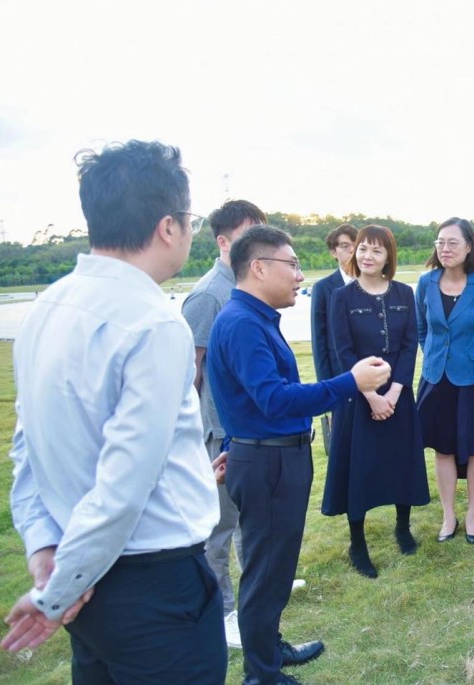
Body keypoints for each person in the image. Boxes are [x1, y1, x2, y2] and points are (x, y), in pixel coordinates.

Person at [2, 140, 227, 683]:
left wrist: (46, 550)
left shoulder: (45, 307)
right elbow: (124, 483)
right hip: (153, 587)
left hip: (88, 579)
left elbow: (24, 451)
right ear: (169, 227)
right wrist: (61, 587)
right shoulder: (153, 322)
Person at [207, 225, 391, 685]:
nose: (299, 275)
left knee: (272, 567)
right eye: (291, 265)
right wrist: (351, 384)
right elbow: (274, 399)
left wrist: (234, 445)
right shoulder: (243, 323)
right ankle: (261, 674)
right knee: (266, 574)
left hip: (265, 456)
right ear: (259, 267)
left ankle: (269, 649)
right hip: (268, 462)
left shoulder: (254, 317)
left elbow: (243, 399)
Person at [181, 198, 267, 650]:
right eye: (248, 236)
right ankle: (225, 611)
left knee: (249, 520)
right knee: (218, 529)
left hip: (247, 430)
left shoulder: (242, 286)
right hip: (216, 434)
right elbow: (188, 377)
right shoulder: (207, 295)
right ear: (222, 241)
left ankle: (253, 590)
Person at [321, 225, 430, 578]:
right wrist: (370, 395)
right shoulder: (342, 296)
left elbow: (409, 345)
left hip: (398, 396)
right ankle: (358, 543)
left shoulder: (403, 292)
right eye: (363, 249)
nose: (368, 256)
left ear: (388, 257)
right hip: (358, 398)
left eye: (376, 251)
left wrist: (394, 393)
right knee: (360, 469)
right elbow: (343, 351)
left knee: (401, 462)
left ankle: (403, 526)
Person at [415, 217, 474, 545]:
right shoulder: (426, 282)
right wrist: (436, 357)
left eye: (453, 242)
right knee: (443, 449)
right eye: (440, 242)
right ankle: (449, 514)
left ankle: (472, 516)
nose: (445, 248)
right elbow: (422, 330)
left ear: (469, 247)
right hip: (437, 379)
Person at [311, 223, 358, 381]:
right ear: (333, 252)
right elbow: (319, 339)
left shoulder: (374, 284)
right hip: (340, 374)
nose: (352, 250)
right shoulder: (323, 288)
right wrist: (325, 384)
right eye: (345, 246)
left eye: (356, 245)